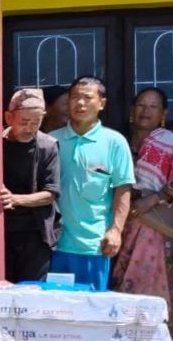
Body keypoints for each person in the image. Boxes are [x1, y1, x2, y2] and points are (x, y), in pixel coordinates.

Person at [110, 87, 173, 341]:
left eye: (153, 106)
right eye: (141, 105)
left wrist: (153, 199)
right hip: (123, 223)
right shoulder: (119, 142)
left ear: (164, 114)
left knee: (159, 283)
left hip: (157, 223)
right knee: (122, 280)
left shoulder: (172, 142)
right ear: (132, 111)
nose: (146, 111)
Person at [49, 76, 134, 292]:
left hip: (94, 246)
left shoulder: (115, 142)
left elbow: (123, 189)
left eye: (87, 98)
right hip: (55, 244)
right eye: (75, 97)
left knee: (92, 306)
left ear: (102, 103)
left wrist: (115, 231)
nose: (80, 103)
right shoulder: (50, 141)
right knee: (55, 306)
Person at [0, 88, 60, 283]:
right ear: (9, 117)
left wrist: (15, 199)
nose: (30, 128)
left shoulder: (48, 146)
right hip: (2, 230)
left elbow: (50, 193)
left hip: (35, 232)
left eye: (36, 122)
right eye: (24, 122)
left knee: (32, 289)